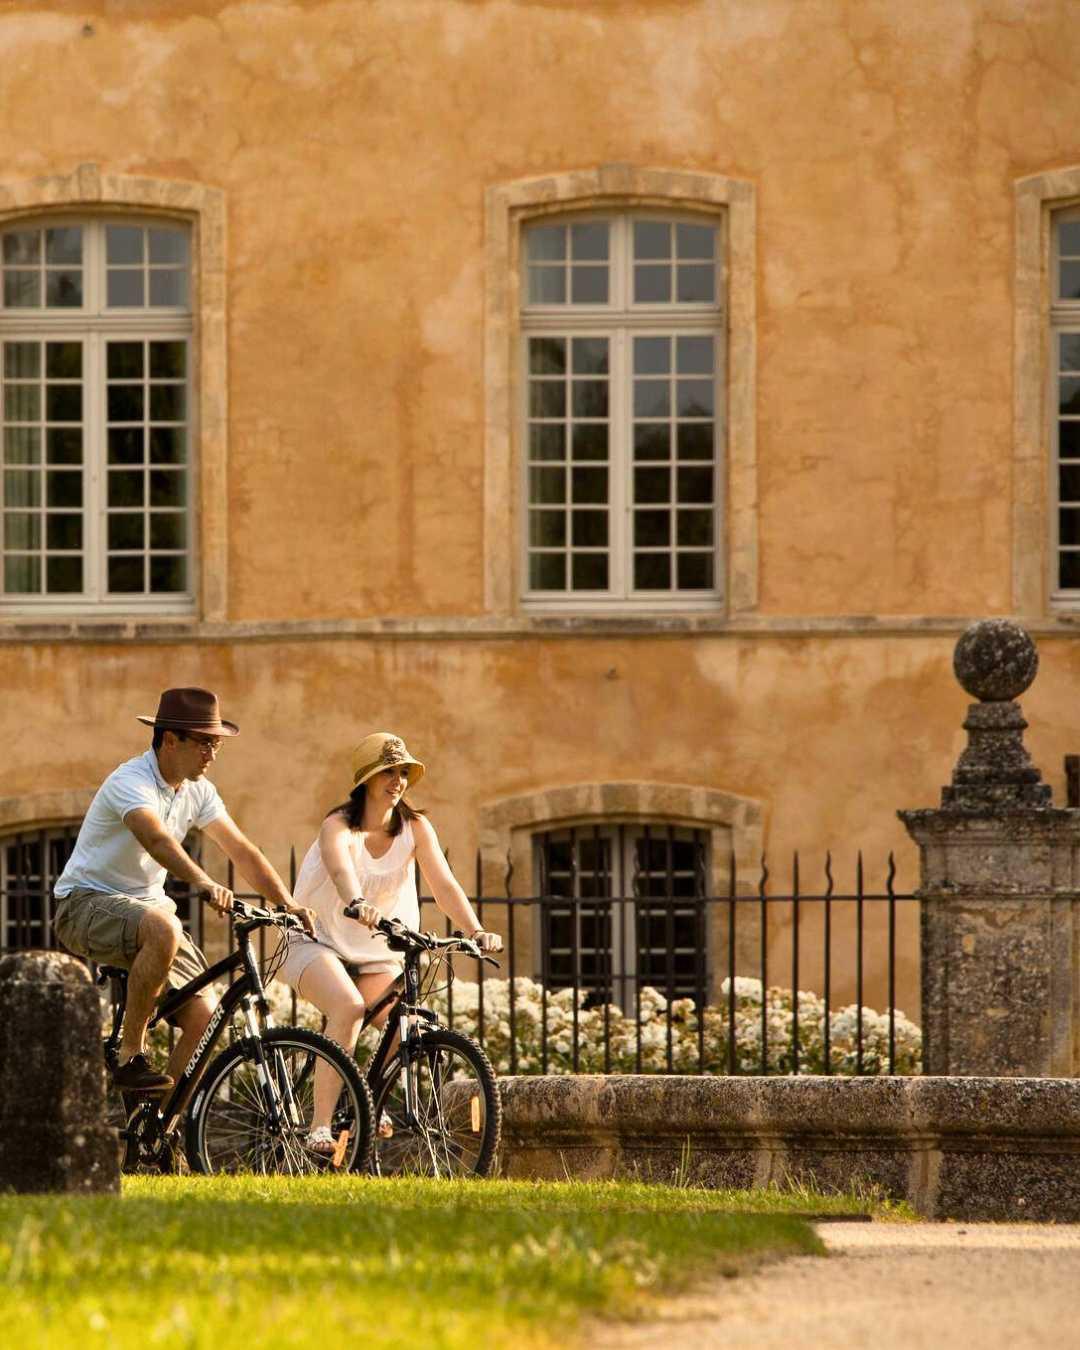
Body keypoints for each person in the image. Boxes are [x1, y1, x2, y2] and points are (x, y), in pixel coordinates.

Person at [53, 687, 315, 1093]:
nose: (213, 753)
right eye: (205, 742)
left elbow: (242, 851)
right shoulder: (132, 780)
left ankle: (159, 1129)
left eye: (217, 744)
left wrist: (289, 903)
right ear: (170, 740)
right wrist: (204, 882)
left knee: (205, 1018)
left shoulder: (198, 790)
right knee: (164, 926)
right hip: (86, 903)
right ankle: (130, 1056)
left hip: (146, 910)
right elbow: (157, 841)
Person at [275, 731, 502, 1152]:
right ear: (366, 779)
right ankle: (319, 1127)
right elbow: (341, 867)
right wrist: (355, 901)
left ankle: (362, 1098)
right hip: (315, 939)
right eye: (388, 772)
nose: (397, 781)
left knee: (407, 1027)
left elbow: (444, 883)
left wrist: (473, 930)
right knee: (347, 1008)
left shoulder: (415, 827)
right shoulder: (339, 825)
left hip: (374, 950)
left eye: (403, 773)